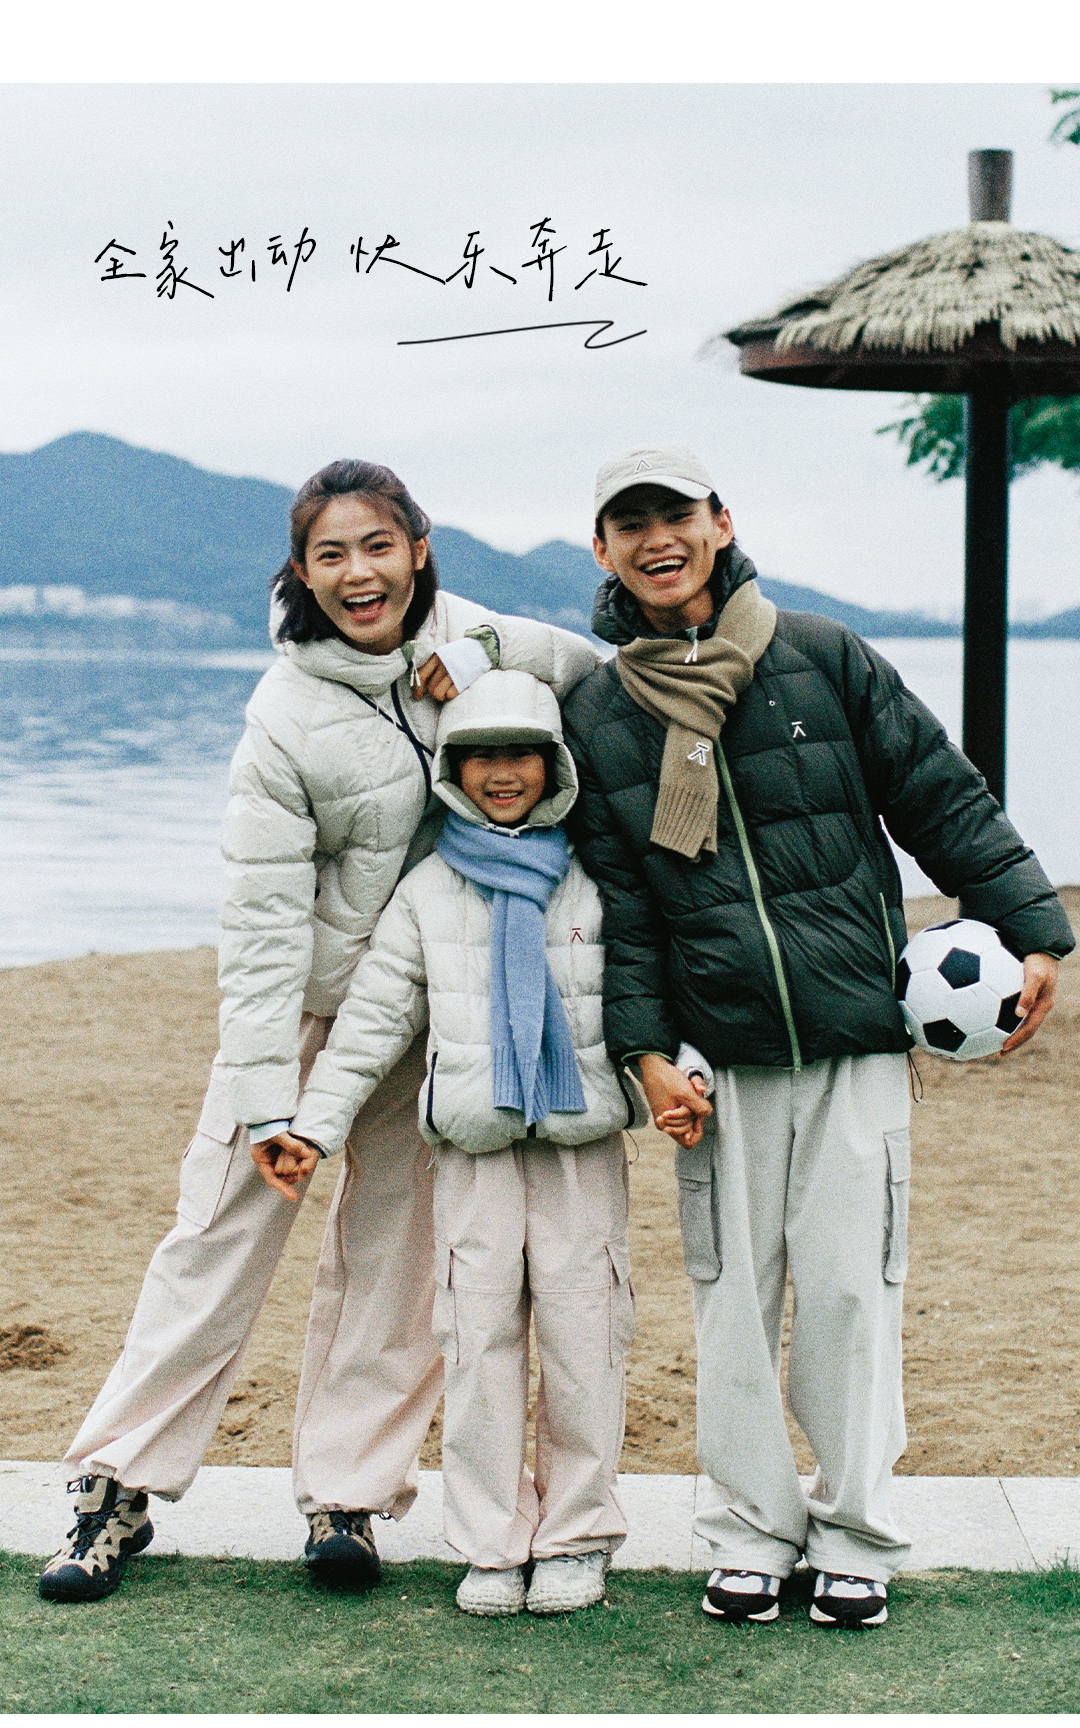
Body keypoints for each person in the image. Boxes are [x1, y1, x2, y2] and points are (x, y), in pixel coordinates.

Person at [40, 459, 602, 1604]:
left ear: (419, 548)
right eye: (331, 554)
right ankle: (115, 1488)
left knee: (395, 1262)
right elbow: (258, 926)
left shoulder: (473, 635)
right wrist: (265, 1101)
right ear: (300, 570)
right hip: (304, 1009)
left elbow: (592, 672)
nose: (360, 574)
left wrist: (486, 658)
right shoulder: (282, 715)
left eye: (378, 547)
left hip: (435, 1013)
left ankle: (347, 1498)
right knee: (216, 1237)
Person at [561, 444, 1075, 1630]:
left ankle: (855, 1535)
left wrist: (1033, 929)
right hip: (718, 1059)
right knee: (732, 1305)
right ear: (603, 549)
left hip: (855, 1042)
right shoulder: (598, 711)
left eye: (676, 514)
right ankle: (749, 1533)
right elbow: (626, 905)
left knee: (851, 1295)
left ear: (720, 520)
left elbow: (940, 794)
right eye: (630, 524)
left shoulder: (823, 655)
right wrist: (645, 1053)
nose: (657, 540)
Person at [282, 669, 651, 1617]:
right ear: (452, 769)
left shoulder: (597, 876)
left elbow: (652, 992)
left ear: (555, 764)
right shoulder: (429, 889)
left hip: (579, 1146)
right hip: (474, 1150)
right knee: (477, 1341)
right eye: (481, 756)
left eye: (522, 753)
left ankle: (575, 1535)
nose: (502, 773)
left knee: (584, 1335)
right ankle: (490, 1542)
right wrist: (315, 1125)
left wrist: (680, 1074)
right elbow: (372, 1020)